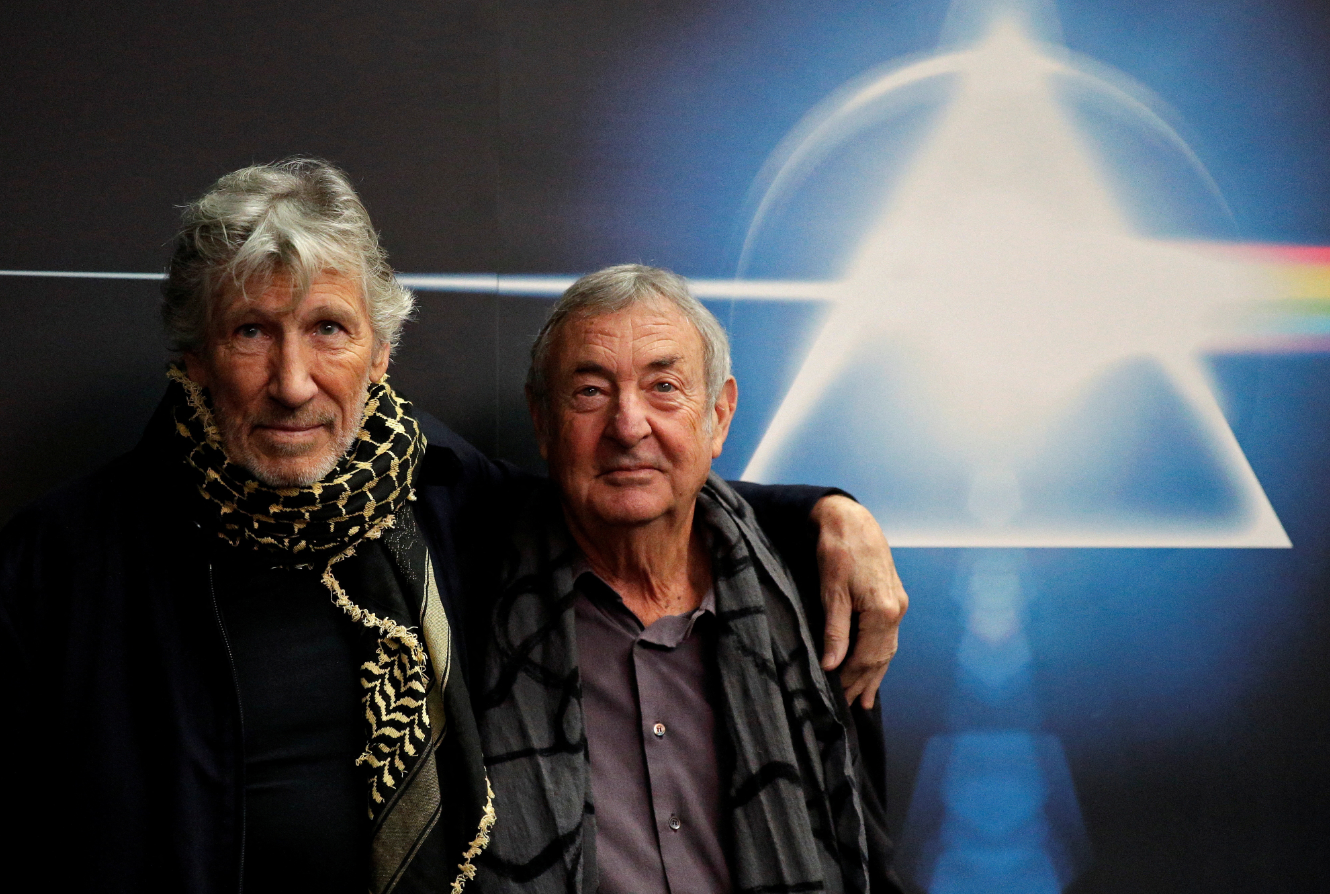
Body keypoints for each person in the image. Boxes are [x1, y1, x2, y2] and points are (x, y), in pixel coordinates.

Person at [0, 161, 905, 894]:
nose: (292, 380)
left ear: (381, 353)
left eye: (328, 329)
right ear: (193, 357)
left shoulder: (440, 493)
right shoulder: (63, 564)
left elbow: (632, 481)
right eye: (249, 332)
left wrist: (828, 511)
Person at [471, 265, 904, 894]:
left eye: (664, 387)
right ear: (542, 420)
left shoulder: (812, 599)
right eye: (590, 392)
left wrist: (831, 508)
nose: (628, 426)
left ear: (720, 416)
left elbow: (864, 842)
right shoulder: (469, 589)